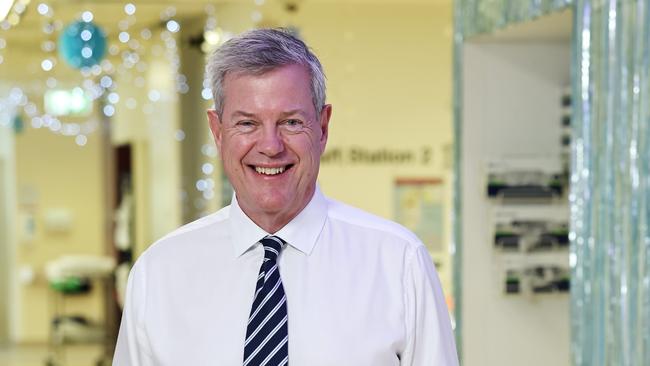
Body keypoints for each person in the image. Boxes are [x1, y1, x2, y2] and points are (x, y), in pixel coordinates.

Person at [113, 28, 458, 366]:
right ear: (218, 132)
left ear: (322, 128)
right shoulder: (158, 273)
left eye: (291, 122)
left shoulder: (399, 263)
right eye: (247, 124)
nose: (270, 146)